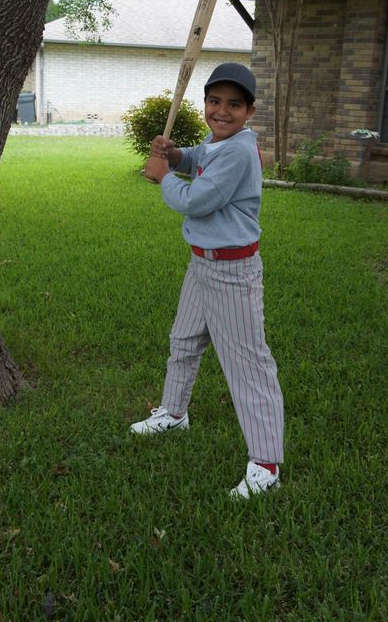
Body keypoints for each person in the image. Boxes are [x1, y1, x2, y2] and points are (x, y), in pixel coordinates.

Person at [130, 63, 284, 499]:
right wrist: (178, 155)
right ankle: (174, 414)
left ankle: (266, 463)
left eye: (234, 104)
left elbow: (198, 200)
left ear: (250, 111)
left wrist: (163, 176)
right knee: (184, 341)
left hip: (232, 271)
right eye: (215, 101)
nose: (222, 111)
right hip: (203, 263)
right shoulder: (219, 142)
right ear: (205, 105)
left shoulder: (238, 150)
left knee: (248, 365)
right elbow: (200, 159)